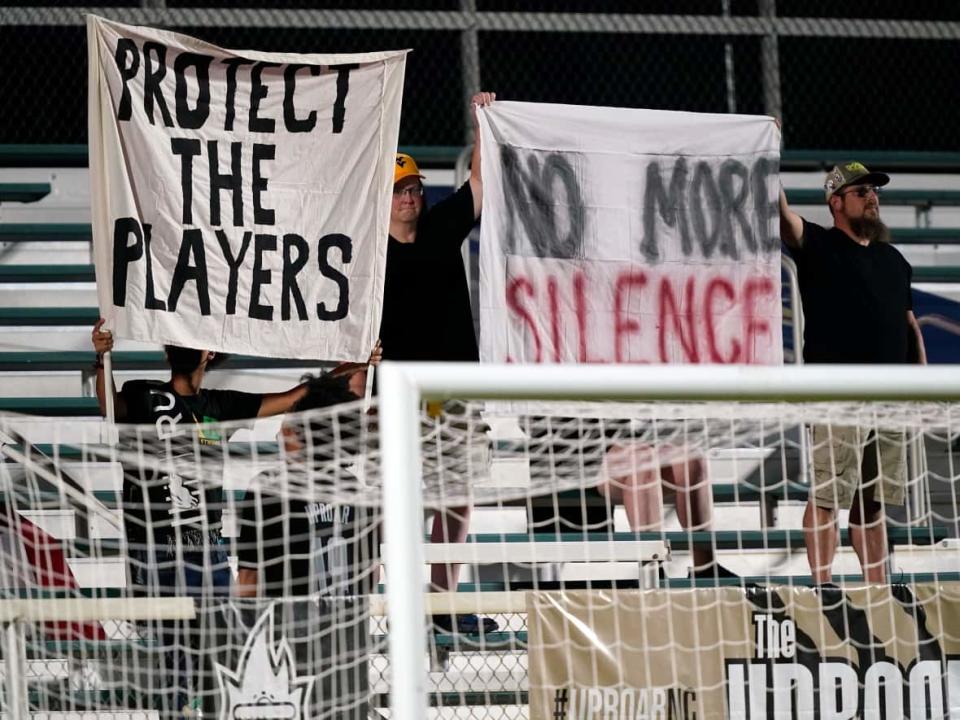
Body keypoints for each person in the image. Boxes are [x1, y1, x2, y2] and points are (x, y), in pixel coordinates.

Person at [378, 91, 497, 634]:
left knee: (459, 498)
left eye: (414, 187)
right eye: (400, 189)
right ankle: (407, 603)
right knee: (403, 504)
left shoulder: (440, 227)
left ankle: (443, 600)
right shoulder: (365, 260)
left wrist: (482, 124)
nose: (409, 196)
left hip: (453, 395)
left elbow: (480, 183)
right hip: (400, 401)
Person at [779, 160, 927, 584]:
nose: (873, 199)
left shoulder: (894, 260)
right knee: (828, 495)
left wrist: (919, 387)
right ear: (836, 202)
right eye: (862, 193)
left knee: (874, 500)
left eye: (875, 192)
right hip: (836, 392)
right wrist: (766, 158)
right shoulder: (819, 245)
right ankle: (822, 586)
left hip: (891, 396)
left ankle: (877, 588)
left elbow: (909, 326)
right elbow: (783, 218)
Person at [232, 374, 377, 720]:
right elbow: (371, 575)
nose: (282, 433)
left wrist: (239, 642)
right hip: (347, 641)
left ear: (313, 434)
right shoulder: (357, 489)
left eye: (291, 428)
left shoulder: (268, 487)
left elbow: (249, 579)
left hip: (289, 643)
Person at [593, 424, 735, 580]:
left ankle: (705, 569)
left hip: (651, 444)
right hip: (595, 461)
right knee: (640, 457)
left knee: (690, 455)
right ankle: (652, 570)